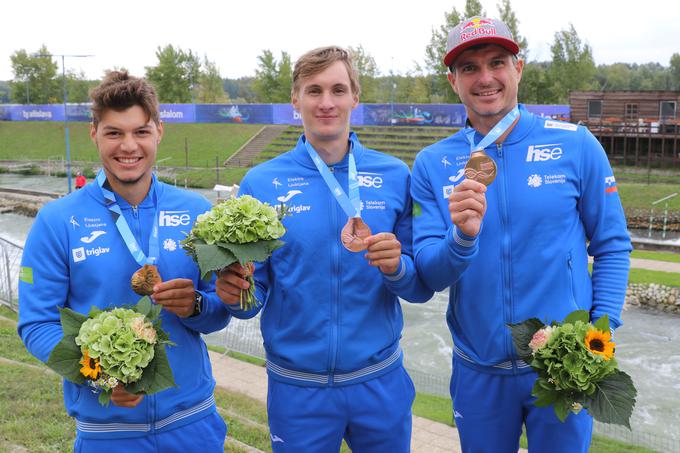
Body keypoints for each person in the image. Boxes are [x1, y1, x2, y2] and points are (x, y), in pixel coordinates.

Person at [410, 17, 631, 453]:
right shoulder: (432, 163)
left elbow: (612, 244)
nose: (486, 77)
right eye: (470, 68)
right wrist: (461, 240)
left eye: (497, 62)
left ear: (519, 68)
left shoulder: (576, 144)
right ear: (453, 80)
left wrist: (600, 332)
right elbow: (429, 273)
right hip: (479, 370)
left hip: (561, 365)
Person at [216, 46, 433, 453]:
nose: (327, 102)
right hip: (298, 389)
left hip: (379, 382)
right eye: (314, 91)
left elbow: (419, 287)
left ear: (355, 96)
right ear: (295, 101)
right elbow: (252, 297)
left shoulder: (395, 175)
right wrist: (235, 295)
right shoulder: (261, 183)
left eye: (338, 89)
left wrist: (397, 269)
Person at [18, 71, 231, 452]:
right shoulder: (57, 220)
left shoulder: (197, 211)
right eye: (114, 132)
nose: (128, 146)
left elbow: (220, 311)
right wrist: (100, 376)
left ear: (159, 132)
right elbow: (38, 325)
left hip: (192, 424)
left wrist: (196, 305)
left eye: (141, 132)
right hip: (108, 435)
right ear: (94, 133)